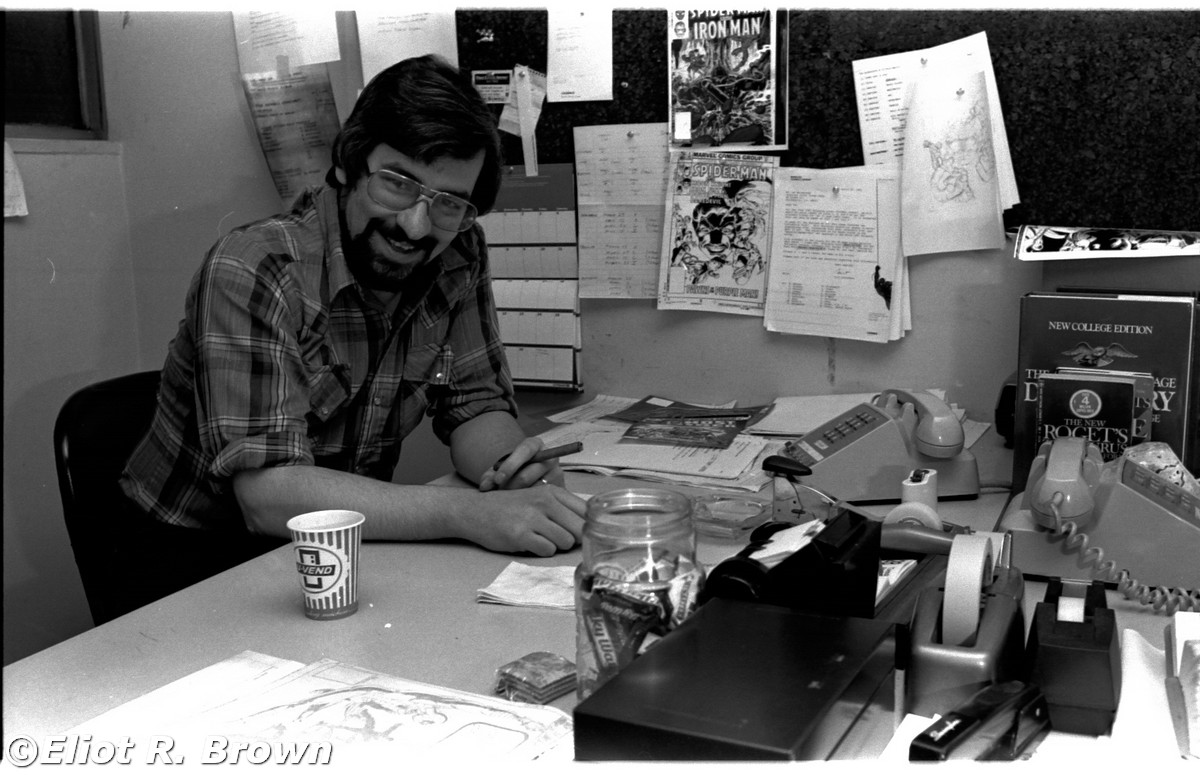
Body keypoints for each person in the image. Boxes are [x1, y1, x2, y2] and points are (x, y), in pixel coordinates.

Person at [117, 55, 587, 605]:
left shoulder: (458, 248)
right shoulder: (255, 266)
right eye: (396, 184)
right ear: (347, 165)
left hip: (340, 540)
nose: (415, 225)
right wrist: (469, 511)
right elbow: (267, 495)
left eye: (448, 203)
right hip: (200, 554)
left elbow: (476, 404)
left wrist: (515, 472)